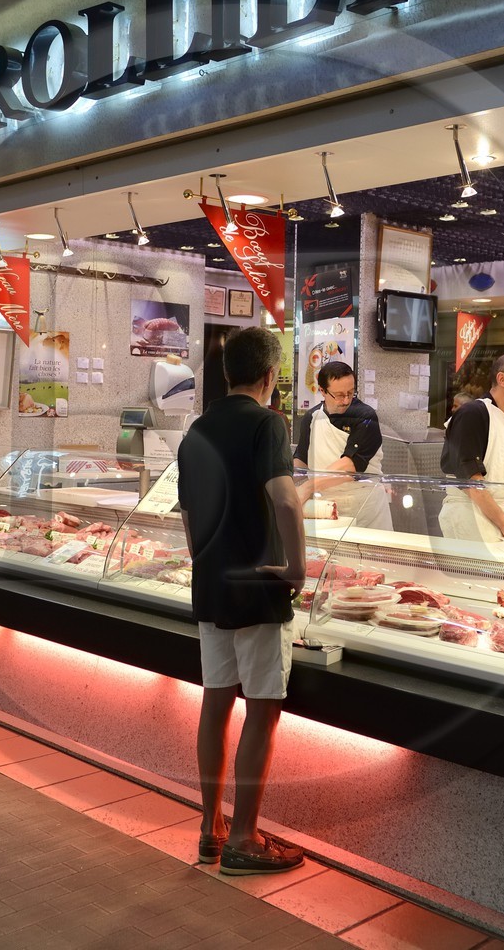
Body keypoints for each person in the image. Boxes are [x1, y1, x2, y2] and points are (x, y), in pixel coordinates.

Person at [177, 327, 306, 877]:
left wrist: (208, 561)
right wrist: (297, 568)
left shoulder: (196, 430)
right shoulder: (267, 423)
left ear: (227, 372)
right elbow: (286, 500)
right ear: (271, 376)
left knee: (215, 702)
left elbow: (188, 518)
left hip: (211, 583)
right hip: (258, 586)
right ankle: (246, 838)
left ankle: (211, 829)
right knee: (262, 710)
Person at [439, 353, 504, 542]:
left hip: (499, 516)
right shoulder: (473, 413)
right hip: (470, 516)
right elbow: (471, 481)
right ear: (502, 379)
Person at [292, 361, 390, 529]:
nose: (346, 400)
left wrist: (308, 488)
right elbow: (301, 461)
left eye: (350, 393)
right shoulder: (312, 417)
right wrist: (285, 485)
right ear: (322, 391)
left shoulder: (366, 416)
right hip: (325, 507)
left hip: (366, 507)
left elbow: (350, 466)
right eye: (339, 395)